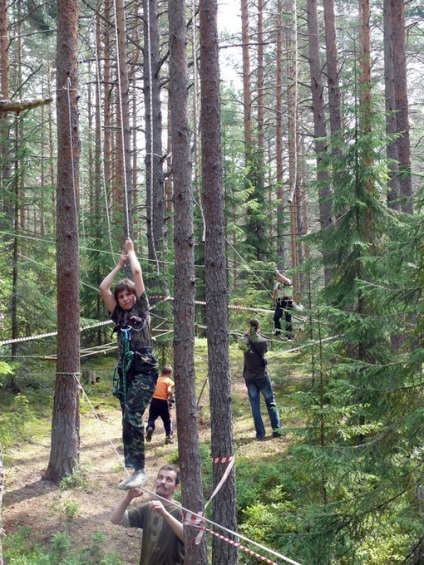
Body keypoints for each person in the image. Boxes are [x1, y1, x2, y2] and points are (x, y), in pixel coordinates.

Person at [100, 238, 159, 490]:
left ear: (136, 296)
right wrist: (118, 264)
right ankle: (134, 469)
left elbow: (136, 272)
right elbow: (103, 288)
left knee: (134, 415)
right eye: (121, 296)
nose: (124, 298)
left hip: (145, 369)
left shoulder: (142, 309)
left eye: (128, 294)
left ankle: (141, 469)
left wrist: (132, 252)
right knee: (127, 418)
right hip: (127, 373)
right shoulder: (118, 314)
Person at [110, 464, 185, 565]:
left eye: (169, 479)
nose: (162, 482)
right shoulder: (148, 508)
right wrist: (128, 497)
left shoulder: (180, 510)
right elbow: (115, 520)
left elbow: (188, 538)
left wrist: (165, 514)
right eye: (160, 477)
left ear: (176, 488)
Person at [240, 318, 282, 440]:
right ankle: (277, 430)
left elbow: (243, 346)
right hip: (262, 376)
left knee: (255, 406)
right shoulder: (263, 341)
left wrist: (246, 334)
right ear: (258, 327)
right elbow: (264, 350)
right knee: (271, 402)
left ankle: (260, 433)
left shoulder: (243, 341)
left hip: (249, 376)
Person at [146, 365, 175, 445]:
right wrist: (171, 397)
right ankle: (168, 437)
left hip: (154, 400)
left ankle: (150, 427)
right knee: (167, 420)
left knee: (152, 417)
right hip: (163, 402)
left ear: (162, 372)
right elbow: (169, 390)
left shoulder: (157, 379)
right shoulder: (170, 382)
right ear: (170, 374)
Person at [272, 269, 293, 340]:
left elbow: (286, 280)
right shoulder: (277, 284)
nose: (278, 278)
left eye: (279, 277)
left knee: (288, 319)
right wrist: (274, 297)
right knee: (276, 316)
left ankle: (289, 336)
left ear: (282, 276)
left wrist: (278, 273)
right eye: (277, 277)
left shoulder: (288, 282)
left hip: (288, 302)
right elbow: (275, 290)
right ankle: (278, 331)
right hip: (280, 302)